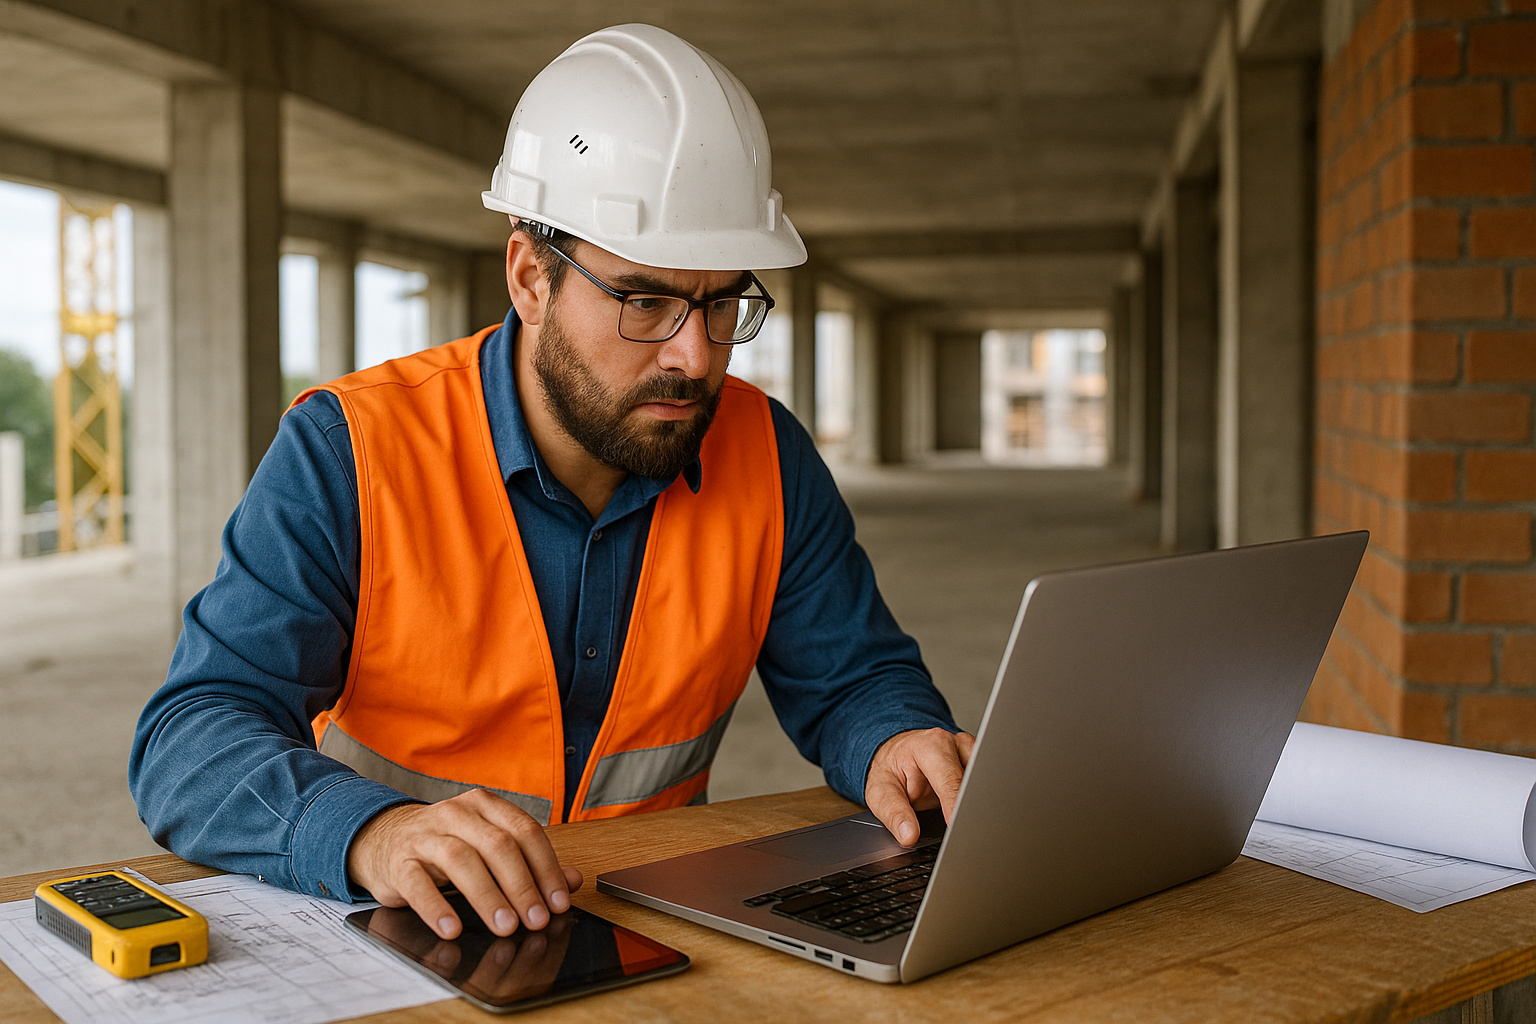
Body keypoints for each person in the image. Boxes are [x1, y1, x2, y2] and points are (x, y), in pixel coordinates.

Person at [129, 23, 971, 945]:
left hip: (652, 926)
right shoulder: (354, 449)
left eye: (724, 302)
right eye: (646, 301)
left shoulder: (768, 455)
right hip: (408, 930)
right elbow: (193, 739)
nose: (694, 356)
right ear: (532, 277)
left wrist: (900, 740)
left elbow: (856, 678)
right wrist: (371, 830)